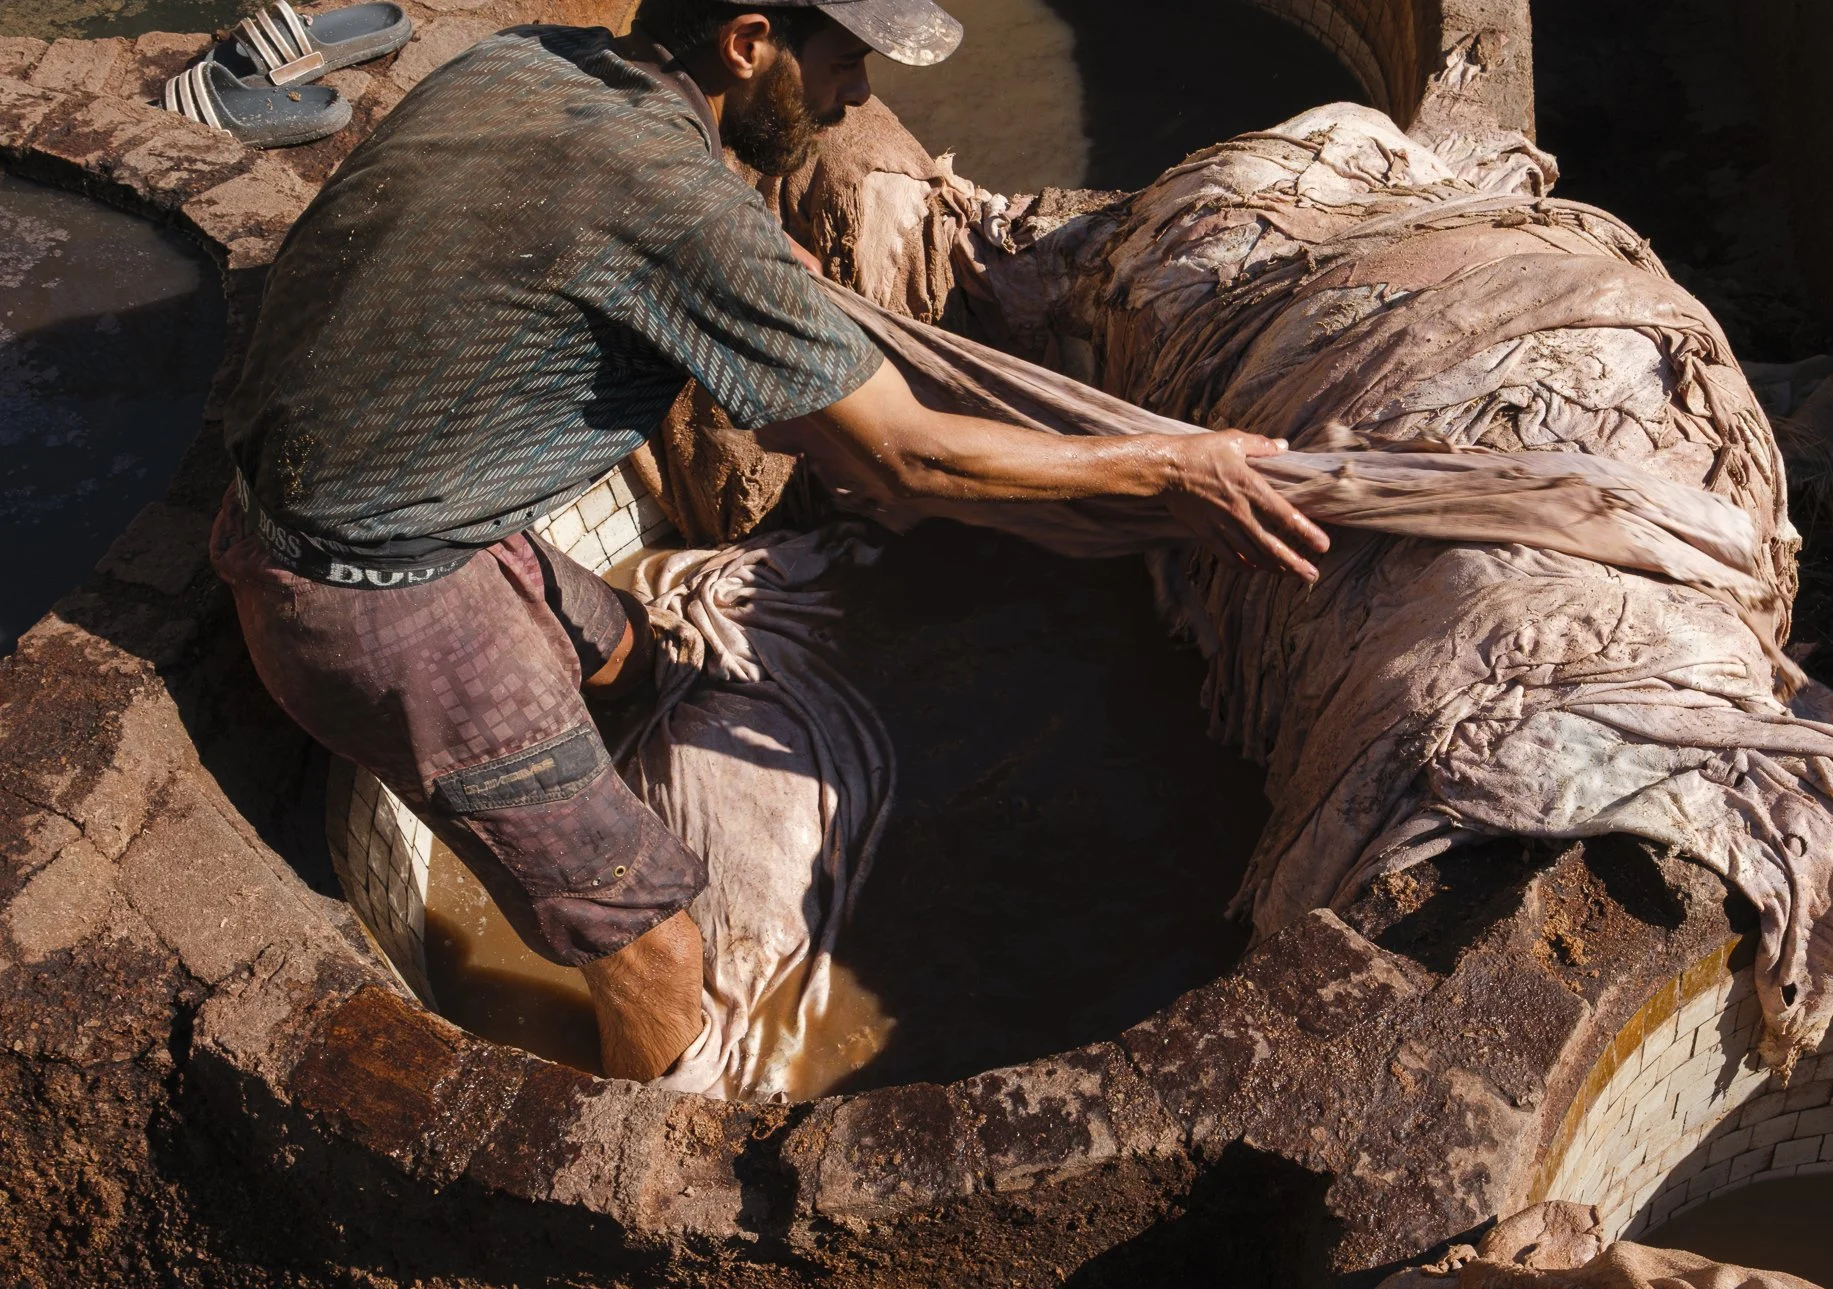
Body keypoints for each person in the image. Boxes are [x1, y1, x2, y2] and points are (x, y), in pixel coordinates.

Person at [211, 0, 1332, 1082]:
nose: (858, 96)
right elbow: (905, 460)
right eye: (846, 61)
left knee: (639, 661)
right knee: (655, 946)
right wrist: (1176, 467)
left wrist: (758, 262)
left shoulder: (531, 64)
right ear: (751, 42)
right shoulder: (677, 212)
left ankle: (578, 793)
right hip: (374, 598)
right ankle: (628, 1178)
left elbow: (614, 232)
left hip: (363, 504)